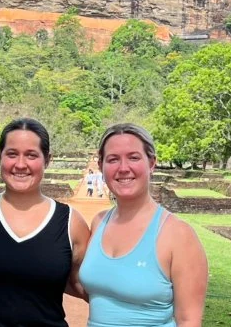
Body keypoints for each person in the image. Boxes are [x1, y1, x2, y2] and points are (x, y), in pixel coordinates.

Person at [0, 118, 91, 327]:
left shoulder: (70, 222)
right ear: (0, 157)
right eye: (12, 154)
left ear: (47, 160)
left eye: (31, 155)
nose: (20, 164)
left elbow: (80, 283)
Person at [78, 123, 209, 327]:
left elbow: (188, 320)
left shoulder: (178, 235)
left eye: (134, 157)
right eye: (113, 159)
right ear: (101, 165)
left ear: (152, 163)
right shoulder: (99, 222)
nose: (123, 168)